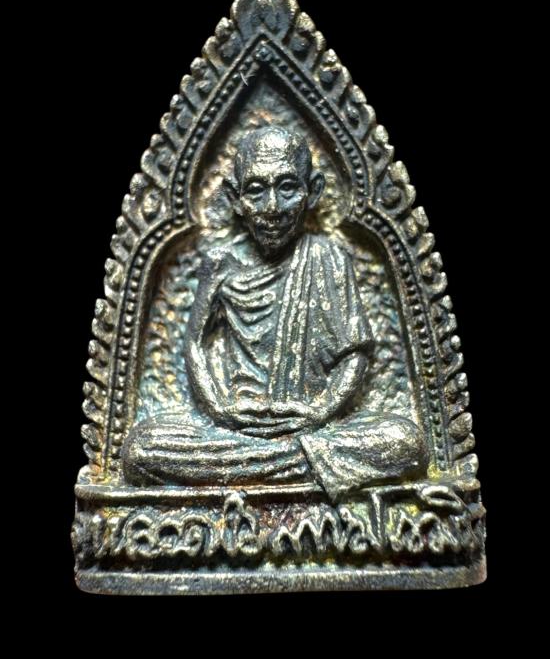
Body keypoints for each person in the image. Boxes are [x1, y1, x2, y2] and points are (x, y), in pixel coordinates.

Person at [122, 126, 428, 500]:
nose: (272, 207)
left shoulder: (328, 257)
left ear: (312, 191)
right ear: (234, 197)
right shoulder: (219, 265)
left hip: (312, 425)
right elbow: (196, 344)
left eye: (287, 188)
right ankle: (301, 465)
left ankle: (261, 468)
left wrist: (321, 413)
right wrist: (220, 410)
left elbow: (356, 353)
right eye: (255, 190)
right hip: (236, 428)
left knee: (405, 443)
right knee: (141, 449)